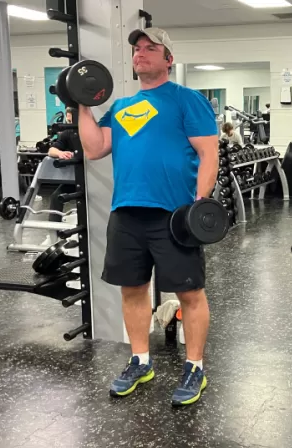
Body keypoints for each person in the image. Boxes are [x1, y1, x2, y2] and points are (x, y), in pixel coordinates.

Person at [77, 27, 218, 406]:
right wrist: (82, 103)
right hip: (126, 212)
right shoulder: (121, 106)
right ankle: (140, 361)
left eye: (150, 48)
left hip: (174, 214)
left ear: (168, 59)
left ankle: (195, 367)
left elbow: (208, 154)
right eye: (137, 49)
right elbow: (94, 148)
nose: (140, 54)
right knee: (132, 289)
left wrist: (200, 205)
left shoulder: (187, 100)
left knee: (189, 292)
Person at [46, 107, 80, 223]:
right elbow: (51, 151)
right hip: (76, 178)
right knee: (56, 197)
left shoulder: (89, 133)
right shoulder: (67, 133)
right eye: (68, 121)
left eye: (72, 122)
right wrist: (60, 153)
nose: (70, 124)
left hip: (93, 179)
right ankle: (53, 233)